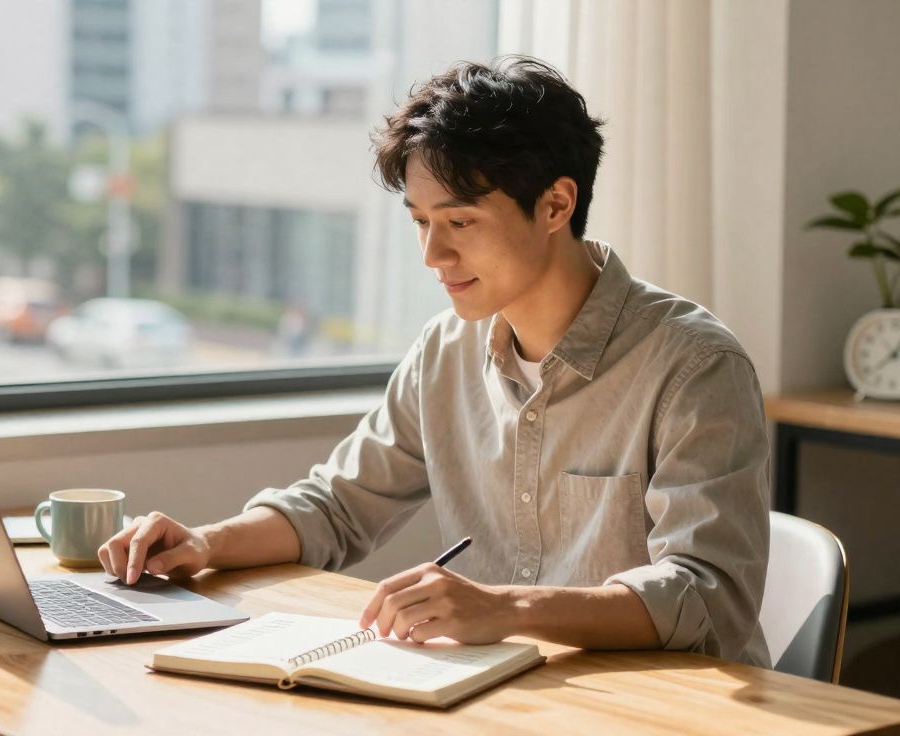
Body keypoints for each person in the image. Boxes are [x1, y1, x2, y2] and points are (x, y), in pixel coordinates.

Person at [99, 56, 770, 666]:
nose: (433, 256)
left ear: (556, 204)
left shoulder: (694, 365)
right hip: (509, 697)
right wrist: (205, 544)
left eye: (460, 222)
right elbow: (337, 507)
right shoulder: (445, 352)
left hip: (672, 707)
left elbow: (707, 595)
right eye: (420, 221)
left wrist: (506, 608)